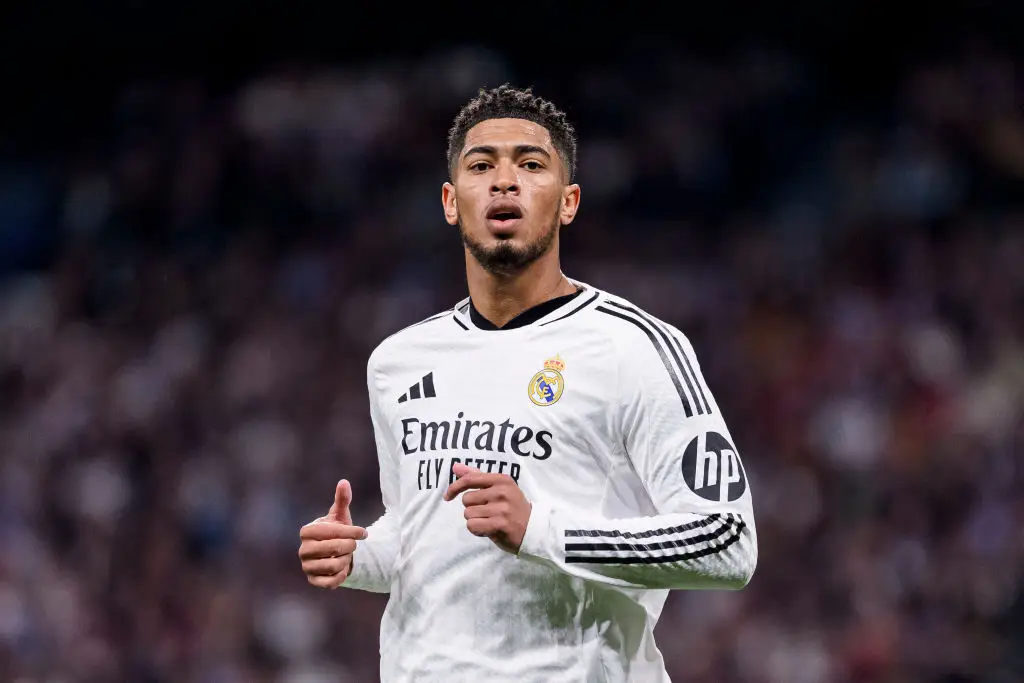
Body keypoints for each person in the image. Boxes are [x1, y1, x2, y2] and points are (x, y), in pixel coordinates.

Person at [298, 84, 757, 682]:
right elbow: (423, 539)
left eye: (531, 165)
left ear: (568, 203)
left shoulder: (635, 348)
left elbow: (726, 541)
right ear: (449, 200)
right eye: (481, 165)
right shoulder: (398, 361)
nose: (504, 181)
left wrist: (541, 529)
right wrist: (360, 553)